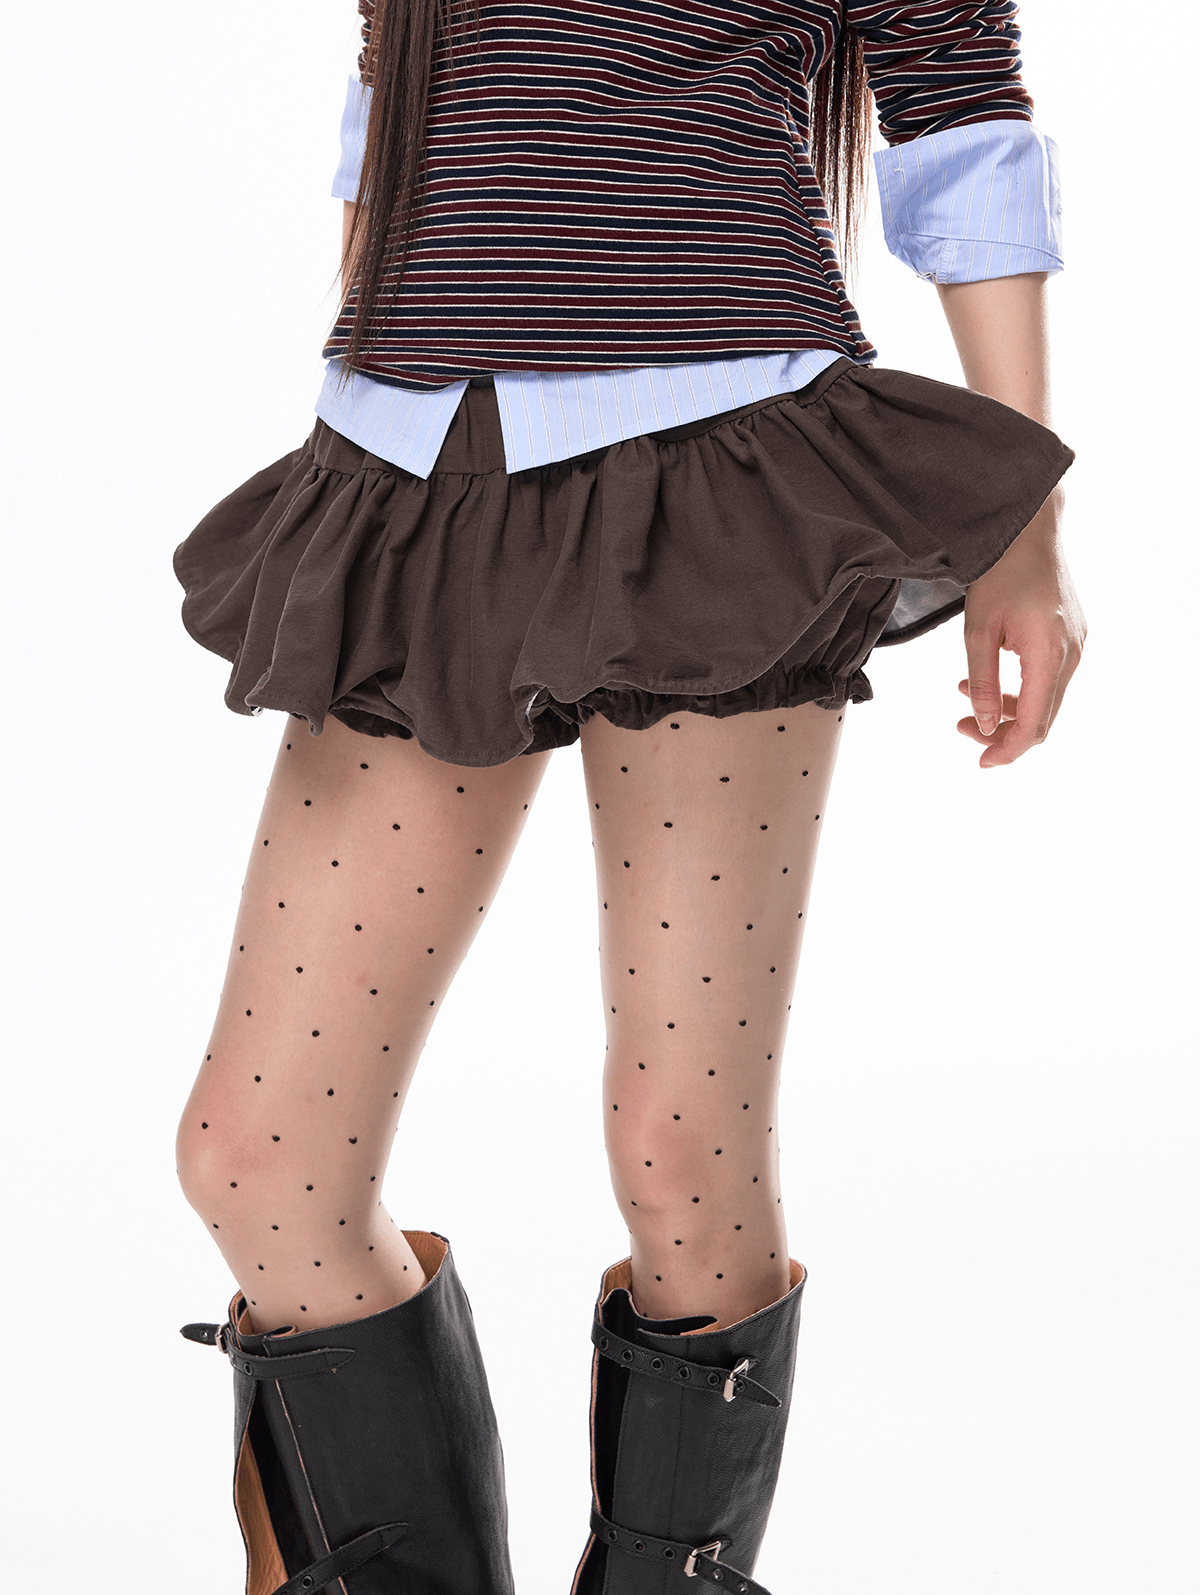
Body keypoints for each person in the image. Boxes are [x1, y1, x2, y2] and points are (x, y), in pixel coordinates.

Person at [173, 3, 1085, 1592]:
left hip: (726, 469)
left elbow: (957, 109)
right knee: (259, 1151)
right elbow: (393, 85)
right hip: (416, 463)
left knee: (678, 1148)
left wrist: (1026, 530)